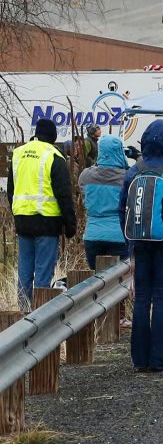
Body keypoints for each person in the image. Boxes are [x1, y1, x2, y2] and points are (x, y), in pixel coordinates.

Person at [119, 120, 163, 372]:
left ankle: (139, 360)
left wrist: (129, 240)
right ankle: (159, 359)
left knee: (141, 298)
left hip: (139, 240)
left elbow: (122, 208)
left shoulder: (134, 171)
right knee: (161, 297)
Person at [8, 119, 77, 309]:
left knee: (24, 271)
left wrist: (17, 215)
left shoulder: (18, 154)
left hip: (22, 221)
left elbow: (10, 191)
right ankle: (40, 316)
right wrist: (70, 224)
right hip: (47, 223)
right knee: (43, 275)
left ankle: (22, 315)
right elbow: (64, 194)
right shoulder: (53, 156)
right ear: (53, 136)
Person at [79, 135, 130, 269]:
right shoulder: (127, 177)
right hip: (119, 235)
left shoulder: (86, 175)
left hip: (92, 235)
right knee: (119, 285)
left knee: (97, 282)